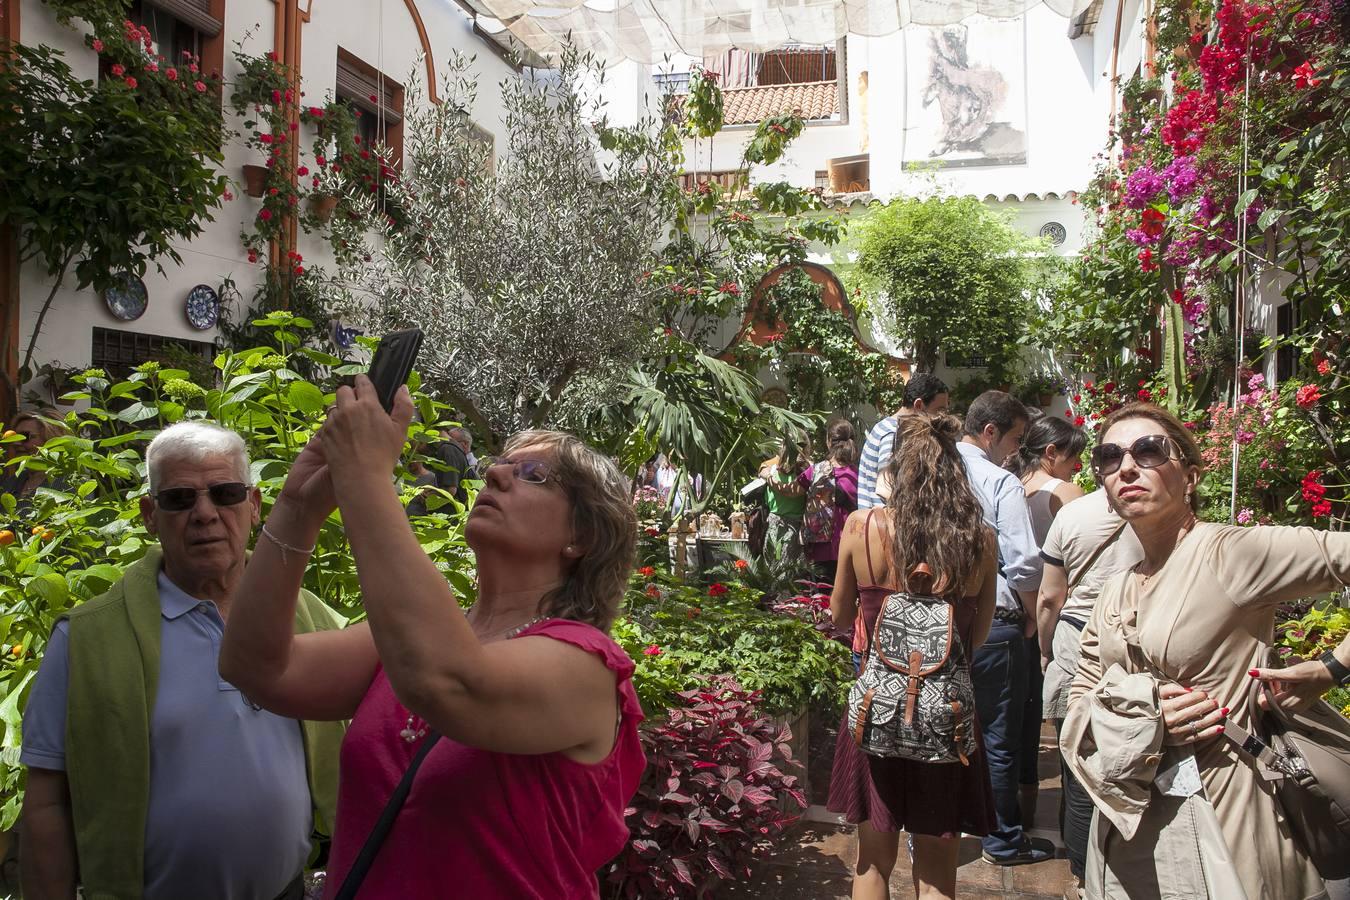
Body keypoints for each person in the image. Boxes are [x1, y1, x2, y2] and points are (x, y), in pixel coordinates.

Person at [219, 377, 646, 898]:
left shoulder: (588, 666)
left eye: (533, 475)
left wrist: (366, 476)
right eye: (500, 463)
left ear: (583, 536)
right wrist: (298, 505)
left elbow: (446, 683)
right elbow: (256, 667)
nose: (494, 473)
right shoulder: (410, 641)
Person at [19, 422, 345, 900]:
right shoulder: (87, 638)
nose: (205, 514)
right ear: (150, 514)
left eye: (225, 493)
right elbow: (48, 801)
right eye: (179, 499)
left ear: (253, 506)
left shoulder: (308, 615)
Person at [1067, 402, 1350, 899]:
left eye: (1148, 451)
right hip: (1130, 824)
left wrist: (1333, 667)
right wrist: (1141, 714)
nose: (1127, 467)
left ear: (1190, 476)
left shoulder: (1232, 555)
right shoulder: (1114, 590)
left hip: (1228, 816)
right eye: (1110, 457)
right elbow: (1078, 702)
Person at [827, 413, 998, 900]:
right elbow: (979, 634)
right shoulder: (979, 540)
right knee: (938, 868)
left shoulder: (862, 527)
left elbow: (840, 618)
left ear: (894, 470)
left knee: (873, 862)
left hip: (876, 711)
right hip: (947, 719)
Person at [956, 391, 1048, 866]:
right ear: (989, 432)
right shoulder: (999, 481)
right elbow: (1025, 563)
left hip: (934, 623)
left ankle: (936, 831)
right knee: (996, 735)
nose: (1015, 450)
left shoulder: (930, 473)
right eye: (1014, 438)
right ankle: (1001, 840)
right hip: (996, 625)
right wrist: (1033, 616)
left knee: (944, 729)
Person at [1035, 488, 1142, 890]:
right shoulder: (1172, 513)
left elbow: (1049, 596)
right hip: (1136, 643)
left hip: (1076, 640)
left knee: (1076, 765)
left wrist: (1044, 649)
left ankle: (1082, 873)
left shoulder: (1073, 514)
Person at [857, 373, 949, 510]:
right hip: (886, 526)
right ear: (919, 405)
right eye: (939, 410)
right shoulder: (893, 434)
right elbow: (888, 490)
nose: (943, 417)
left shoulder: (886, 427)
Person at [1009, 415, 1086, 544]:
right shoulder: (1065, 492)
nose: (1079, 462)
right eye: (1075, 454)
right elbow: (1086, 544)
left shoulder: (1014, 487)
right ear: (1051, 452)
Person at [800, 420, 859, 584]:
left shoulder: (815, 471)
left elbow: (792, 490)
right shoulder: (858, 474)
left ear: (828, 441)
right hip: (849, 544)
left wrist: (768, 475)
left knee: (821, 600)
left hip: (820, 546)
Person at [759, 435, 810, 570]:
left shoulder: (772, 470)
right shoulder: (807, 472)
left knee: (772, 570)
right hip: (795, 529)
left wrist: (768, 476)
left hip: (773, 527)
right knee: (791, 574)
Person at [1, 409, 66, 504]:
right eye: (14, 437)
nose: (16, 443)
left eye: (25, 436)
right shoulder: (12, 483)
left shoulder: (69, 483)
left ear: (51, 439)